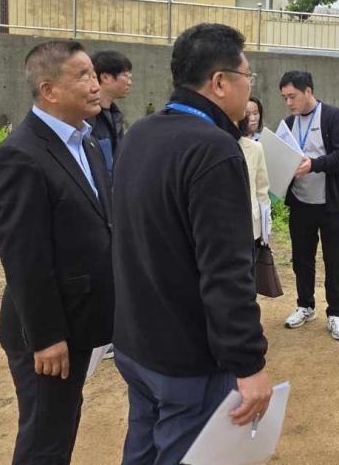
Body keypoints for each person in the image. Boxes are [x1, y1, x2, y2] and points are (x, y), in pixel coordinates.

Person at [110, 23, 272, 464]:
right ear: (219, 82)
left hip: (135, 341)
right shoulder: (214, 149)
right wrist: (249, 364)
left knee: (142, 449)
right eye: (247, 76)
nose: (250, 87)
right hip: (188, 358)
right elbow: (226, 271)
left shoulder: (140, 133)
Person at [0, 40, 113, 465]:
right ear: (49, 90)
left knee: (61, 424)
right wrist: (45, 337)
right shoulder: (20, 154)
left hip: (81, 321)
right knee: (45, 441)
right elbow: (24, 257)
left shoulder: (88, 143)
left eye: (94, 74)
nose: (95, 85)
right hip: (48, 335)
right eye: (83, 76)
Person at [279, 70, 339, 341]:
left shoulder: (334, 117)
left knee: (334, 260)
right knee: (301, 259)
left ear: (308, 91)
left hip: (331, 204)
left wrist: (314, 164)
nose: (289, 103)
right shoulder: (288, 124)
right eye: (285, 98)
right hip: (301, 203)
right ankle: (305, 305)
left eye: (293, 96)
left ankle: (336, 313)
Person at [87, 50, 132, 171]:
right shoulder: (86, 118)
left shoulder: (116, 116)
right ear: (105, 77)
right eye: (126, 76)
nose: (129, 82)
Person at [239, 102, 271, 257]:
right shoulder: (215, 145)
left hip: (252, 226)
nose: (252, 118)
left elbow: (262, 191)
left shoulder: (256, 147)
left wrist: (266, 228)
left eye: (255, 113)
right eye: (247, 114)